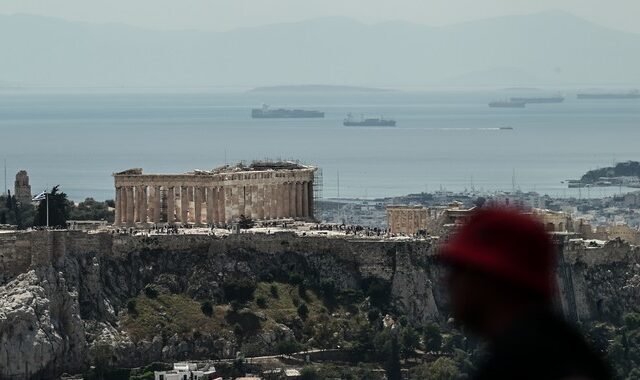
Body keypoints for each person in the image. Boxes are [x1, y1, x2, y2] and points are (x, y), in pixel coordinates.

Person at [439, 207, 610, 380]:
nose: (447, 280)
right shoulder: (564, 350)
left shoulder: (525, 366)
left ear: (490, 281)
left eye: (457, 269)